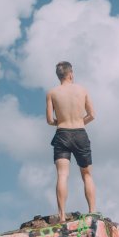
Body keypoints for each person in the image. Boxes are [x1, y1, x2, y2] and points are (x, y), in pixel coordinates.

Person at [45, 61, 96, 223]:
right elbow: (92, 115)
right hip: (80, 133)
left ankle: (61, 216)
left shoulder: (52, 93)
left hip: (62, 133)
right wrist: (80, 123)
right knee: (87, 174)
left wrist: (60, 122)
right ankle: (92, 212)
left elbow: (49, 120)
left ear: (59, 75)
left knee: (62, 175)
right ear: (71, 74)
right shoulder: (82, 90)